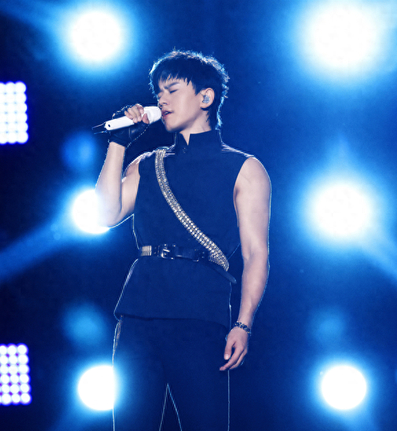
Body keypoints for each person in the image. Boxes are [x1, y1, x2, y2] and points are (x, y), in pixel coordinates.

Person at [94, 50, 271, 431]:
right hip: (139, 312)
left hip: (199, 312)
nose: (162, 100)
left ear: (205, 97)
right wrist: (118, 143)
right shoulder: (148, 163)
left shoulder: (244, 168)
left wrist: (243, 324)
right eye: (158, 93)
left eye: (172, 90)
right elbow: (104, 215)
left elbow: (256, 253)